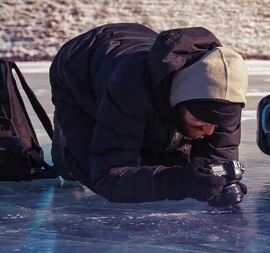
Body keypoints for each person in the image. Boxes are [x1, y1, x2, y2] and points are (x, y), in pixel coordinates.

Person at [50, 24, 248, 205]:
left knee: (173, 162)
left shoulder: (224, 93)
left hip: (144, 79)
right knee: (89, 169)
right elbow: (108, 177)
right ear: (179, 102)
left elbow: (216, 160)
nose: (210, 130)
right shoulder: (129, 87)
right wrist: (177, 182)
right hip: (78, 68)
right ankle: (66, 142)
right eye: (201, 119)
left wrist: (219, 184)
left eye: (218, 124)